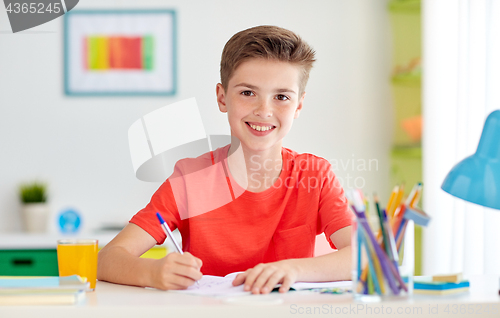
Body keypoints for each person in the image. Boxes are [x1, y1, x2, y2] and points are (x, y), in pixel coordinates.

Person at [97, 25, 352, 294]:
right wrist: (153, 272)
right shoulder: (189, 178)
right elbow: (106, 259)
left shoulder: (315, 174)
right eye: (247, 93)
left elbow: (366, 257)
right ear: (222, 97)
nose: (264, 111)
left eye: (281, 97)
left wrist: (294, 269)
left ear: (298, 105)